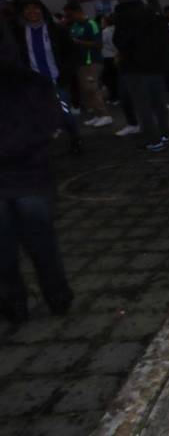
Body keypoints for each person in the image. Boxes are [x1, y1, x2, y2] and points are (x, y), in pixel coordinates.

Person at [0, 19, 74, 323]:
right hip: (31, 174)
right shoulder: (33, 82)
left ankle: (14, 304)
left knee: (3, 251)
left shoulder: (32, 81)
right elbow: (51, 122)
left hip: (15, 177)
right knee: (42, 243)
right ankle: (57, 297)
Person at [12, 0, 82, 153]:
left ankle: (75, 137)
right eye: (27, 9)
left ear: (42, 9)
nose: (32, 12)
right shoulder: (18, 34)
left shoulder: (57, 30)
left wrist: (65, 75)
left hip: (56, 79)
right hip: (32, 83)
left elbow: (72, 53)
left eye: (35, 7)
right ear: (22, 13)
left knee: (64, 113)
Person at [112, 0, 169, 152]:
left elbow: (120, 41)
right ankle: (165, 134)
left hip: (135, 67)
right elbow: (163, 38)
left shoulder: (123, 15)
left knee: (143, 106)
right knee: (159, 104)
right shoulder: (150, 11)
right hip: (156, 66)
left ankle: (154, 140)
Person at [63, 1, 113, 127]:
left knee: (92, 88)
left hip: (91, 61)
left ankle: (105, 115)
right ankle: (97, 114)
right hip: (80, 62)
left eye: (70, 15)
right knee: (86, 90)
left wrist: (78, 42)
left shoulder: (91, 24)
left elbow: (98, 44)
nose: (69, 17)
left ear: (78, 12)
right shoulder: (74, 25)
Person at [100, 14, 120, 105]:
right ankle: (120, 96)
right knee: (117, 77)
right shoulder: (117, 29)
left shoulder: (105, 32)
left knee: (110, 79)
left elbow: (107, 43)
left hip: (108, 56)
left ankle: (115, 97)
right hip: (117, 55)